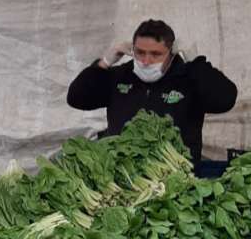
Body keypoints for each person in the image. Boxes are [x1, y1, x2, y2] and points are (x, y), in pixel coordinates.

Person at [66, 19, 237, 166]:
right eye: (140, 53)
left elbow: (225, 100)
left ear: (171, 54)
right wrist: (104, 62)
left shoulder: (189, 77)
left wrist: (195, 62)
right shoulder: (121, 76)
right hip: (124, 180)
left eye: (156, 54)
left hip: (178, 180)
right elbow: (77, 98)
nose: (146, 61)